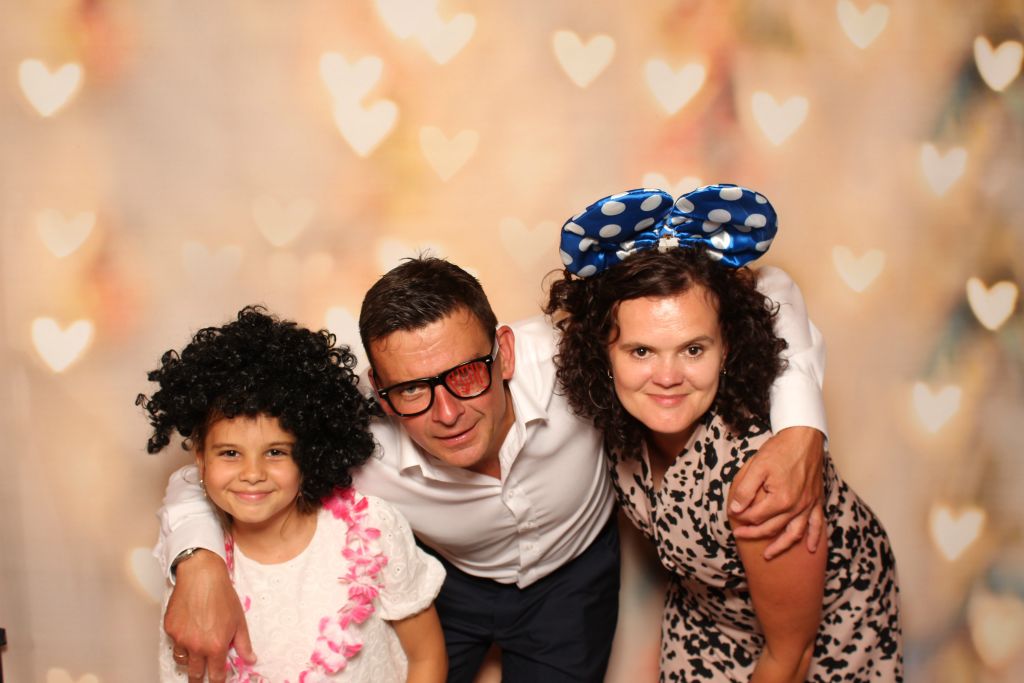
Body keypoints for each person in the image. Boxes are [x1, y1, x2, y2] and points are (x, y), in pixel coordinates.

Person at [155, 254, 829, 683]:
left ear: (504, 351)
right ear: (378, 389)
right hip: (443, 582)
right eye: (412, 389)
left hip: (574, 577)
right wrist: (199, 562)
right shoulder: (351, 431)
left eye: (466, 373)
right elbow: (209, 471)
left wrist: (802, 427)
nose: (448, 411)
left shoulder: (572, 354)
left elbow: (765, 285)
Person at [545, 185, 903, 682]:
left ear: (727, 348)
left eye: (693, 349)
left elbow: (790, 655)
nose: (667, 377)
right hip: (710, 610)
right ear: (602, 352)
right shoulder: (620, 420)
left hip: (814, 639)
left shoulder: (759, 481)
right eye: (641, 351)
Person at [139, 306, 447, 682]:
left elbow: (426, 657)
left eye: (275, 452)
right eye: (230, 453)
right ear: (200, 460)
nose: (253, 474)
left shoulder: (372, 528)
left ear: (308, 453)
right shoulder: (194, 571)